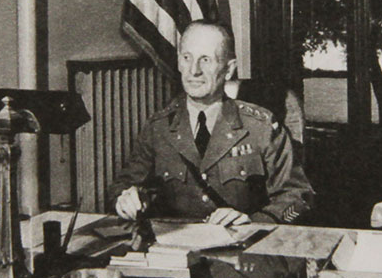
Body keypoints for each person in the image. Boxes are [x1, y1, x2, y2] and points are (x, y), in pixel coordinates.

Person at [109, 20, 314, 225]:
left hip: (243, 246)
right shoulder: (159, 127)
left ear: (228, 69)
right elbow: (123, 185)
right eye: (187, 58)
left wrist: (255, 221)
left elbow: (299, 197)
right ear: (179, 62)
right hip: (176, 247)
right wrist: (127, 199)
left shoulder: (261, 127)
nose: (194, 70)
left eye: (206, 60)